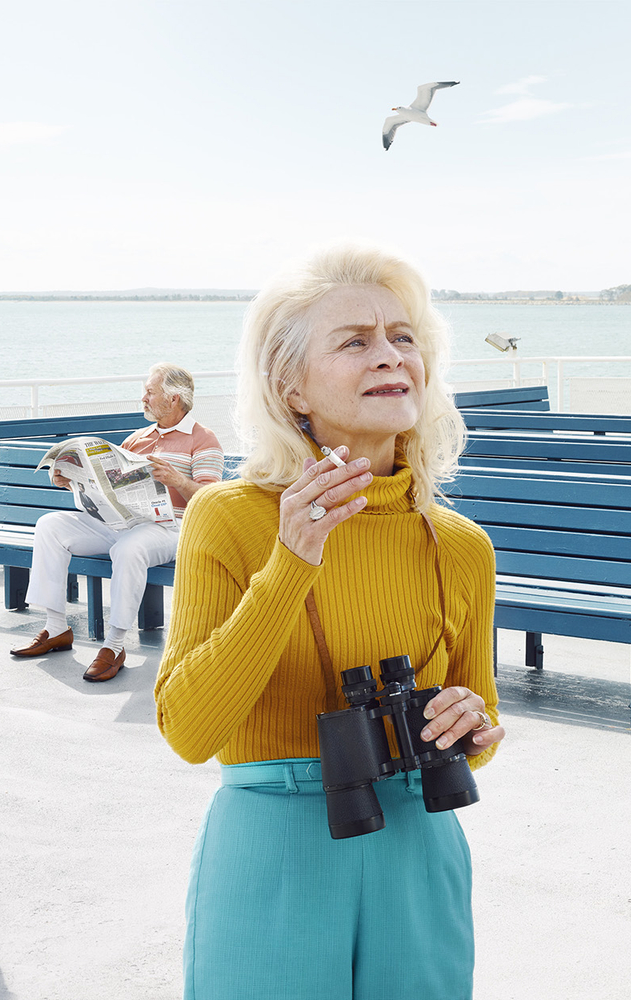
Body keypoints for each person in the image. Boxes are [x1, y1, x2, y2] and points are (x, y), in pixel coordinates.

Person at [155, 243, 507, 998]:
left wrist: (471, 724)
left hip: (421, 843)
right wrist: (292, 563)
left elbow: (480, 728)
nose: (390, 356)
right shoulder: (229, 518)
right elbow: (188, 731)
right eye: (355, 341)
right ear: (292, 386)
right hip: (275, 845)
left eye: (403, 336)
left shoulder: (462, 546)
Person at [10, 363, 224, 681]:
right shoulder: (136, 439)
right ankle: (55, 628)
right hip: (118, 523)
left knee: (129, 548)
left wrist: (178, 479)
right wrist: (72, 481)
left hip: (168, 528)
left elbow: (211, 499)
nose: (143, 398)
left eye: (150, 392)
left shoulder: (203, 440)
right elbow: (108, 487)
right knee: (50, 525)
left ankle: (114, 646)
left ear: (175, 398)